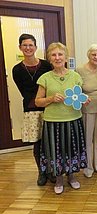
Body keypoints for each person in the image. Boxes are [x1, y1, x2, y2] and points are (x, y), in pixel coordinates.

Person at [35, 42, 88, 194]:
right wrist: (50, 98)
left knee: (71, 150)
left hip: (73, 120)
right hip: (53, 122)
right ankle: (58, 179)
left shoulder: (76, 76)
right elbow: (38, 101)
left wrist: (85, 99)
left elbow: (80, 96)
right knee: (55, 152)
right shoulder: (45, 78)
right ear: (49, 59)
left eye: (60, 54)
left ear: (65, 57)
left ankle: (71, 177)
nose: (57, 57)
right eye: (54, 55)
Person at [12, 33, 54, 186]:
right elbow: (23, 90)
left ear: (36, 47)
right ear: (20, 48)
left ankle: (51, 170)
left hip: (49, 108)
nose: (28, 48)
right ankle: (41, 172)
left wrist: (45, 101)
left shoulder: (46, 65)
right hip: (31, 110)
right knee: (37, 143)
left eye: (31, 45)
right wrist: (35, 101)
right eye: (25, 45)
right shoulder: (17, 69)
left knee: (50, 142)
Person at [76, 44, 97, 178]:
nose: (96, 57)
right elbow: (76, 90)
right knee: (87, 139)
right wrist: (83, 98)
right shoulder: (79, 70)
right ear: (88, 55)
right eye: (93, 54)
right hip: (87, 108)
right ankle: (88, 166)